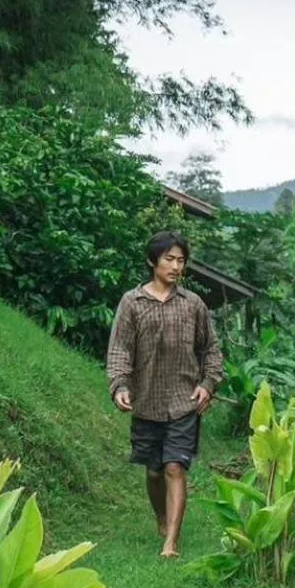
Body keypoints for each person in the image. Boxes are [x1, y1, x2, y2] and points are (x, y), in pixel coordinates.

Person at [105, 230, 223, 557]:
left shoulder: (193, 304)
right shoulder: (132, 303)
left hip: (184, 401)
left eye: (181, 261)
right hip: (146, 402)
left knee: (174, 467)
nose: (175, 266)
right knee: (154, 471)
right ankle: (161, 516)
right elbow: (119, 350)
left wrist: (208, 384)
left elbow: (211, 350)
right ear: (152, 261)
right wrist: (120, 386)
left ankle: (171, 542)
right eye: (169, 259)